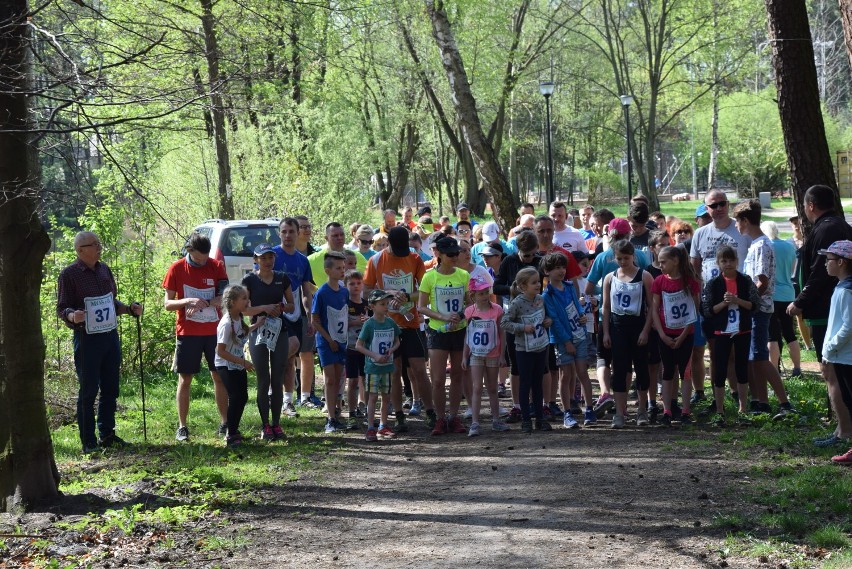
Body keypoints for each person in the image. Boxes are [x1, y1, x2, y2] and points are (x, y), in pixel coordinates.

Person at [57, 231, 143, 453]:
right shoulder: (69, 274)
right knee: (88, 390)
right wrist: (71, 315)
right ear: (80, 250)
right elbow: (61, 307)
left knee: (111, 388)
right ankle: (88, 441)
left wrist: (128, 309)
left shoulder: (104, 268)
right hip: (87, 339)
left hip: (110, 336)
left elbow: (110, 301)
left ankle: (107, 434)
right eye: (94, 244)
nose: (99, 247)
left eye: (99, 243)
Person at [790, 185, 852, 448]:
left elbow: (817, 273)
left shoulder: (828, 229)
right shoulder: (835, 226)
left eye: (804, 206)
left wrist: (801, 302)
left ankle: (844, 431)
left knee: (830, 371)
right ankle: (841, 428)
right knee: (832, 372)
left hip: (826, 313)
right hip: (827, 310)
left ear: (811, 205)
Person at [364, 225, 434, 432]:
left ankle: (430, 412)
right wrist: (387, 293)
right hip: (386, 325)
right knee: (393, 372)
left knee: (420, 369)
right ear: (389, 243)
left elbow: (425, 291)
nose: (404, 253)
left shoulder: (414, 259)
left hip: (411, 323)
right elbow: (366, 291)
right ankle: (399, 415)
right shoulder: (376, 260)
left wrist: (407, 296)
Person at [163, 232, 230, 442]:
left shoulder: (216, 266)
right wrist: (187, 301)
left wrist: (208, 303)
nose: (203, 262)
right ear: (190, 251)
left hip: (214, 332)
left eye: (206, 257)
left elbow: (224, 298)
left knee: (218, 376)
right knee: (185, 379)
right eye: (199, 259)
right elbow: (167, 304)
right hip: (188, 332)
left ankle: (225, 422)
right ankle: (182, 426)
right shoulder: (176, 268)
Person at [732, 200, 794, 418]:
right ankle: (761, 402)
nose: (736, 227)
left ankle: (784, 403)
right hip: (753, 310)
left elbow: (762, 282)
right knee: (752, 356)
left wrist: (746, 302)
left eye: (737, 222)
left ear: (746, 221)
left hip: (759, 310)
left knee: (759, 356)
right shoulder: (757, 244)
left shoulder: (761, 245)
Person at [241, 244, 297, 442]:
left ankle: (276, 423)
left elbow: (291, 305)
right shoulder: (249, 280)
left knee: (278, 377)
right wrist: (264, 308)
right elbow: (244, 310)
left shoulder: (282, 278)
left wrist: (279, 307)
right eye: (263, 257)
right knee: (263, 379)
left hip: (279, 331)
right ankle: (265, 424)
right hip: (258, 332)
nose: (268, 261)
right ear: (256, 259)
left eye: (270, 257)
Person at [701, 246, 762, 424]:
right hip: (721, 331)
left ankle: (743, 409)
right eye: (724, 261)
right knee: (720, 368)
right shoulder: (713, 283)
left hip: (743, 329)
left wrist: (737, 300)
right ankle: (720, 410)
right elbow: (707, 310)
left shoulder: (745, 280)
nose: (728, 264)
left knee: (742, 367)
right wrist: (724, 303)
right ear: (719, 263)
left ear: (737, 261)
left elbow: (755, 305)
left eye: (731, 260)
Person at [418, 236, 471, 435]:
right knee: (438, 379)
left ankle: (454, 417)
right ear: (439, 254)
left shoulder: (463, 275)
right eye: (451, 254)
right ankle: (440, 418)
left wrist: (461, 314)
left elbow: (469, 303)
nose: (455, 257)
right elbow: (421, 307)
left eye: (457, 253)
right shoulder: (429, 277)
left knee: (458, 376)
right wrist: (442, 316)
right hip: (438, 331)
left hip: (459, 330)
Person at [602, 240, 654, 428]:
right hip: (618, 328)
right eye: (620, 258)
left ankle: (642, 410)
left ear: (633, 256)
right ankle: (619, 412)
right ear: (614, 258)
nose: (623, 262)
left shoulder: (644, 276)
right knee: (620, 370)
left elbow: (652, 306)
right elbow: (606, 307)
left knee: (641, 369)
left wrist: (646, 330)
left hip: (638, 326)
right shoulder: (610, 278)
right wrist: (606, 333)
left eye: (627, 258)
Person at [541, 253, 596, 429]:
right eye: (556, 268)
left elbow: (576, 305)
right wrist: (566, 342)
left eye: (563, 267)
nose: (561, 271)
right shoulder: (547, 294)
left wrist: (581, 315)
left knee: (582, 372)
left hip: (580, 336)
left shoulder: (569, 286)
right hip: (563, 340)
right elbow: (554, 320)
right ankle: (567, 413)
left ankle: (589, 409)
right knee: (566, 375)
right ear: (547, 271)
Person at [650, 245, 701, 426]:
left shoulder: (689, 282)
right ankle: (667, 411)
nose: (660, 265)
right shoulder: (659, 281)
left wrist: (683, 335)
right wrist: (662, 334)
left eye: (663, 262)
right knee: (667, 372)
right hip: (665, 334)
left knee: (685, 373)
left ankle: (686, 411)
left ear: (676, 261)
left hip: (685, 334)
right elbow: (654, 310)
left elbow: (694, 310)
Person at [494, 231, 542, 420]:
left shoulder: (539, 262)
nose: (529, 258)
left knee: (538, 365)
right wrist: (512, 289)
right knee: (516, 364)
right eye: (525, 255)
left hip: (536, 317)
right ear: (518, 250)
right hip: (515, 317)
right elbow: (496, 286)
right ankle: (516, 405)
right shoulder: (509, 261)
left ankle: (537, 404)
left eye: (532, 254)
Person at [500, 267, 553, 434]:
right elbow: (504, 323)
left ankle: (540, 418)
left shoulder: (540, 300)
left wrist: (547, 321)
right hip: (523, 350)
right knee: (525, 384)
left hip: (541, 347)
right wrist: (523, 327)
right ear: (523, 286)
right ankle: (525, 419)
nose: (538, 285)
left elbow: (546, 317)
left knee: (538, 383)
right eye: (534, 282)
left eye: (539, 281)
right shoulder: (517, 303)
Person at [272, 217, 318, 410]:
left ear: (298, 233)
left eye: (292, 231)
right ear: (279, 233)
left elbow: (306, 291)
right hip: (274, 312)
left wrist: (310, 316)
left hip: (295, 312)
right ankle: (271, 385)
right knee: (293, 346)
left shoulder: (302, 260)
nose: (288, 235)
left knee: (290, 359)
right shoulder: (271, 255)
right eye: (284, 232)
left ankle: (287, 401)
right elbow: (257, 280)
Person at [215, 285, 264, 447]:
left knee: (242, 397)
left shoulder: (238, 318)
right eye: (243, 298)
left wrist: (257, 324)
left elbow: (242, 333)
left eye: (247, 297)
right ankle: (230, 433)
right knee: (235, 397)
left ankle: (234, 429)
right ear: (232, 302)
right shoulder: (226, 323)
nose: (247, 301)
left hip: (237, 364)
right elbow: (220, 351)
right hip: (226, 365)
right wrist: (243, 362)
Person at [462, 275, 509, 435]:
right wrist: (464, 356)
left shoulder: (497, 310)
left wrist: (502, 355)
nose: (484, 296)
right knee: (476, 387)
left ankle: (496, 420)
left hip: (493, 354)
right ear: (473, 295)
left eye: (486, 292)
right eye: (480, 293)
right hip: (475, 354)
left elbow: (502, 334)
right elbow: (468, 335)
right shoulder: (469, 311)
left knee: (492, 387)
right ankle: (475, 422)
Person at [820, 241, 852, 464]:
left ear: (841, 262)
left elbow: (849, 325)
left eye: (829, 259)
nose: (825, 263)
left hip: (846, 355)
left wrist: (831, 347)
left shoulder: (848, 290)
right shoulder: (841, 287)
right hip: (841, 355)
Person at [356, 289, 402, 441]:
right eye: (382, 304)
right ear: (372, 306)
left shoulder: (390, 322)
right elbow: (359, 345)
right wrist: (375, 355)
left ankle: (383, 425)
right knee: (373, 397)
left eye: (387, 303)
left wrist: (392, 349)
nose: (386, 306)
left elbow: (397, 340)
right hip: (373, 368)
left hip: (387, 367)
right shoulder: (369, 324)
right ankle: (370, 427)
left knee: (386, 398)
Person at [311, 251, 349, 433]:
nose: (342, 271)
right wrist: (329, 339)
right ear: (328, 270)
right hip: (327, 342)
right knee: (330, 379)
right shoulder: (322, 292)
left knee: (339, 378)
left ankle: (337, 413)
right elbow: (314, 321)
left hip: (341, 341)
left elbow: (346, 317)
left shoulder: (344, 291)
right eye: (338, 268)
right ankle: (330, 419)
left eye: (344, 267)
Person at [761, 220, 802, 377]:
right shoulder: (788, 246)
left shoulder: (766, 246)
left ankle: (774, 370)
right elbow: (792, 270)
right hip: (788, 293)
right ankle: (797, 368)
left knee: (772, 334)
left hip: (771, 295)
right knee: (789, 332)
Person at [309, 222, 368, 288]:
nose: (339, 238)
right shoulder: (312, 260)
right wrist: (316, 292)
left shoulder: (357, 256)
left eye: (342, 235)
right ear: (326, 238)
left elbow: (369, 282)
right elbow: (302, 282)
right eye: (335, 235)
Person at [344, 270, 368, 429]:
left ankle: (366, 409)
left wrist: (369, 320)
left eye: (358, 283)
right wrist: (354, 322)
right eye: (352, 284)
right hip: (350, 347)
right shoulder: (344, 303)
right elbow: (340, 323)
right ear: (345, 285)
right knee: (352, 380)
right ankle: (351, 413)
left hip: (365, 348)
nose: (355, 286)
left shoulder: (367, 304)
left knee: (365, 379)